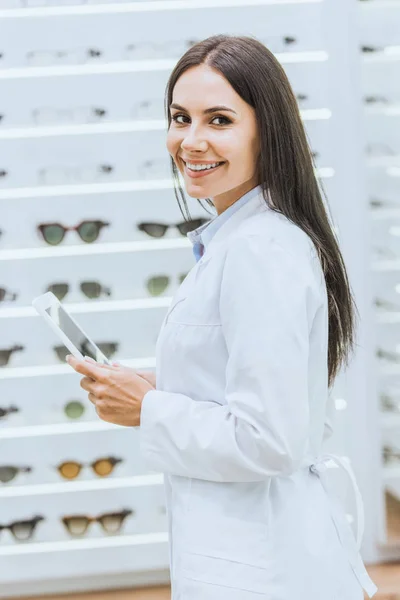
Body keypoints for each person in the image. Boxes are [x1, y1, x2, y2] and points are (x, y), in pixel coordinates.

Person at [67, 35, 378, 600]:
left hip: (265, 569)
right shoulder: (243, 240)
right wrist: (162, 387)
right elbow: (264, 395)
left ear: (267, 130)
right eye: (179, 118)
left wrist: (150, 409)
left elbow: (271, 438)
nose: (191, 141)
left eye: (218, 120)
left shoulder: (262, 251)